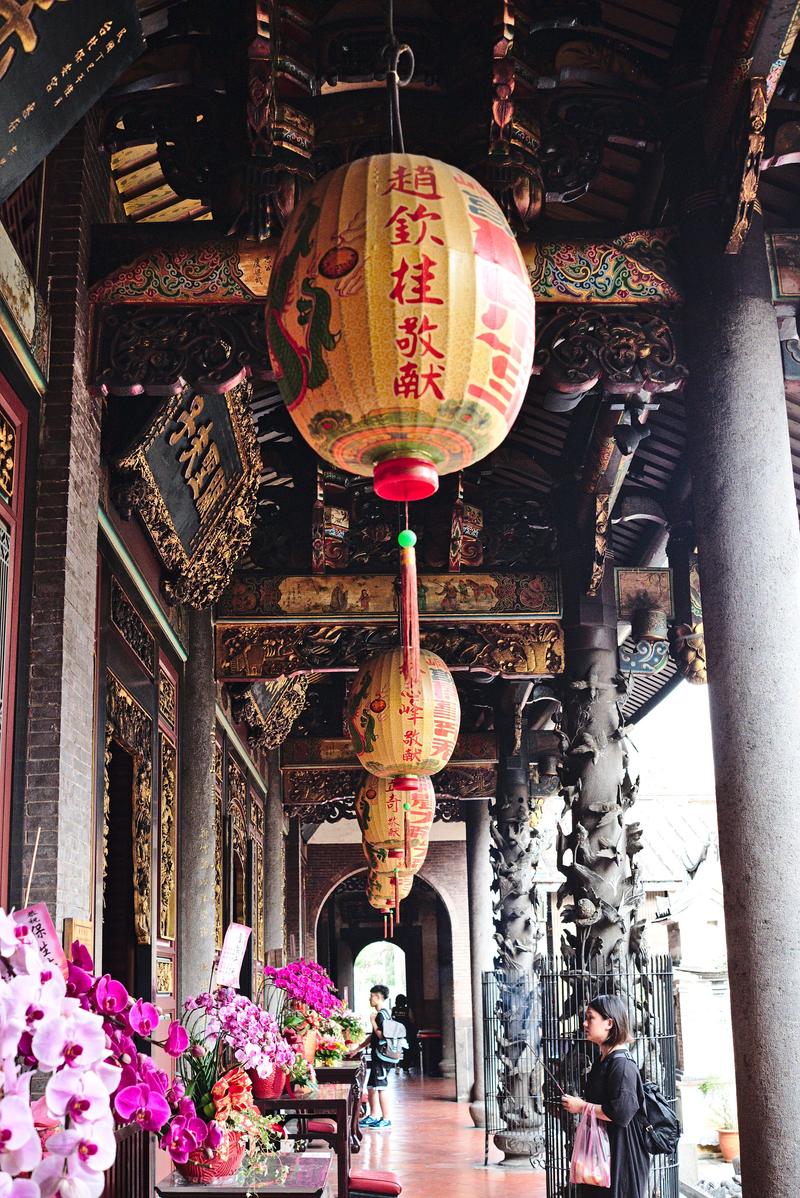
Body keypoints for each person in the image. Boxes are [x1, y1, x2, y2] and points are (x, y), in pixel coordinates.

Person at [560, 994, 649, 1198]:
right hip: (603, 1155)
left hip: (620, 1157)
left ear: (609, 1023)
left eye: (590, 1018)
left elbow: (620, 1113)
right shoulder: (604, 1060)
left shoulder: (622, 1065)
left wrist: (581, 1106)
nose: (584, 1023)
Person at [358, 984, 392, 1130]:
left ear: (378, 997)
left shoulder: (381, 1015)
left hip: (382, 1057)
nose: (369, 998)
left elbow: (383, 1036)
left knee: (381, 1087)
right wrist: (358, 1048)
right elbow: (373, 1036)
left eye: (371, 996)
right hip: (377, 1056)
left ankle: (386, 1119)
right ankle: (373, 1115)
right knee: (371, 1086)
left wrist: (372, 1022)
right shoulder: (380, 1014)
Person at [391, 993, 419, 1073]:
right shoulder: (408, 1010)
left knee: (396, 1049)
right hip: (406, 1033)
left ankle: (397, 1067)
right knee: (406, 1050)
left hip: (396, 1033)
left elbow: (391, 1020)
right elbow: (412, 1020)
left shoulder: (394, 1009)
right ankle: (405, 1067)